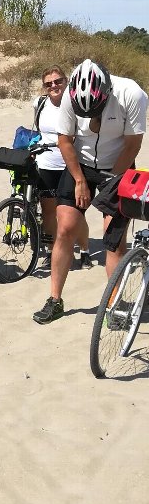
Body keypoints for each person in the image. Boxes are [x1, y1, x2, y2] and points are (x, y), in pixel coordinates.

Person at [32, 58, 147, 324]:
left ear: (107, 93)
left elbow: (132, 144)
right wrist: (79, 180)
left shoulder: (132, 94)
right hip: (80, 164)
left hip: (117, 165)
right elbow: (64, 141)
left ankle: (115, 303)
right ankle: (55, 300)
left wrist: (111, 183)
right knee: (65, 228)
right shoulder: (71, 94)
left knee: (113, 239)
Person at [34, 67, 90, 267]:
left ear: (66, 81)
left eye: (57, 81)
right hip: (46, 164)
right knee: (49, 212)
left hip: (72, 165)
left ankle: (84, 250)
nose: (54, 86)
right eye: (49, 84)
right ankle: (51, 251)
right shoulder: (40, 104)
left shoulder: (77, 104)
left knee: (75, 213)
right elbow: (38, 131)